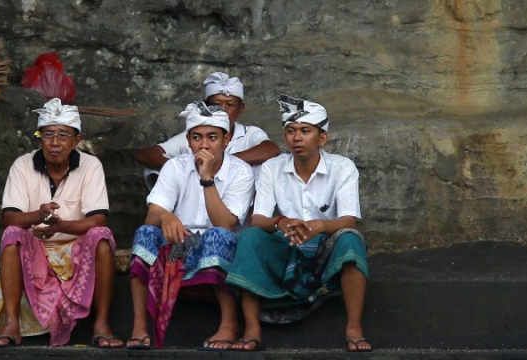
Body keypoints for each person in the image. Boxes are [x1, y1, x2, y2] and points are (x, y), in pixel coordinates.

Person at [226, 95, 372, 352]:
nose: (297, 138)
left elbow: (349, 219)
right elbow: (258, 218)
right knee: (249, 237)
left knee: (351, 239)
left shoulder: (343, 167)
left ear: (322, 138)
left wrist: (319, 226)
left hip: (324, 244)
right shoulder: (272, 167)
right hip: (285, 241)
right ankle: (251, 329)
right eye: (291, 131)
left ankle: (354, 328)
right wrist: (280, 222)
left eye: (305, 131)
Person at [0, 98, 123, 348]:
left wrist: (61, 227)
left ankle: (102, 325)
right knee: (12, 235)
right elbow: (9, 219)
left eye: (63, 135)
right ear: (40, 139)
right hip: (34, 247)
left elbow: (97, 219)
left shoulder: (90, 166)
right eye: (48, 135)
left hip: (76, 248)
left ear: (77, 140)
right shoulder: (23, 165)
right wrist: (39, 215)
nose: (55, 143)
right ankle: (11, 325)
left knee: (102, 235)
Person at [126, 101, 255, 350]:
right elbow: (152, 214)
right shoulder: (175, 166)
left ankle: (228, 324)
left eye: (212, 137)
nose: (204, 145)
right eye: (197, 137)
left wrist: (207, 179)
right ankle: (139, 325)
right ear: (188, 140)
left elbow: (226, 223)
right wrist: (165, 217)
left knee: (217, 235)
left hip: (221, 248)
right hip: (178, 246)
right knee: (145, 233)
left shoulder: (241, 172)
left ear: (226, 140)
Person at [135, 71, 279, 188]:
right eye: (217, 104)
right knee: (156, 169)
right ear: (205, 106)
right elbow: (145, 155)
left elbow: (271, 149)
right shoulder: (195, 136)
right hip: (197, 199)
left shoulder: (249, 133)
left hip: (237, 205)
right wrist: (184, 168)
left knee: (262, 166)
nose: (223, 110)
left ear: (240, 109)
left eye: (230, 104)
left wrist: (222, 163)